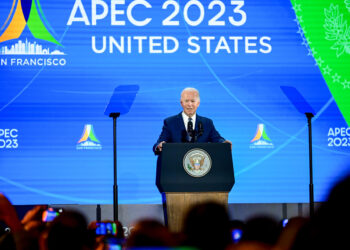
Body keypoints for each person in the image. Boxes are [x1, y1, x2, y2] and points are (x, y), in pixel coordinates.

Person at [153, 87, 231, 154]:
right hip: (176, 166)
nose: (189, 104)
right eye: (186, 101)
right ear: (181, 103)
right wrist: (159, 146)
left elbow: (217, 139)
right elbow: (159, 143)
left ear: (198, 103)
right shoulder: (170, 122)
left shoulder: (207, 123)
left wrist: (224, 143)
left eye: (193, 101)